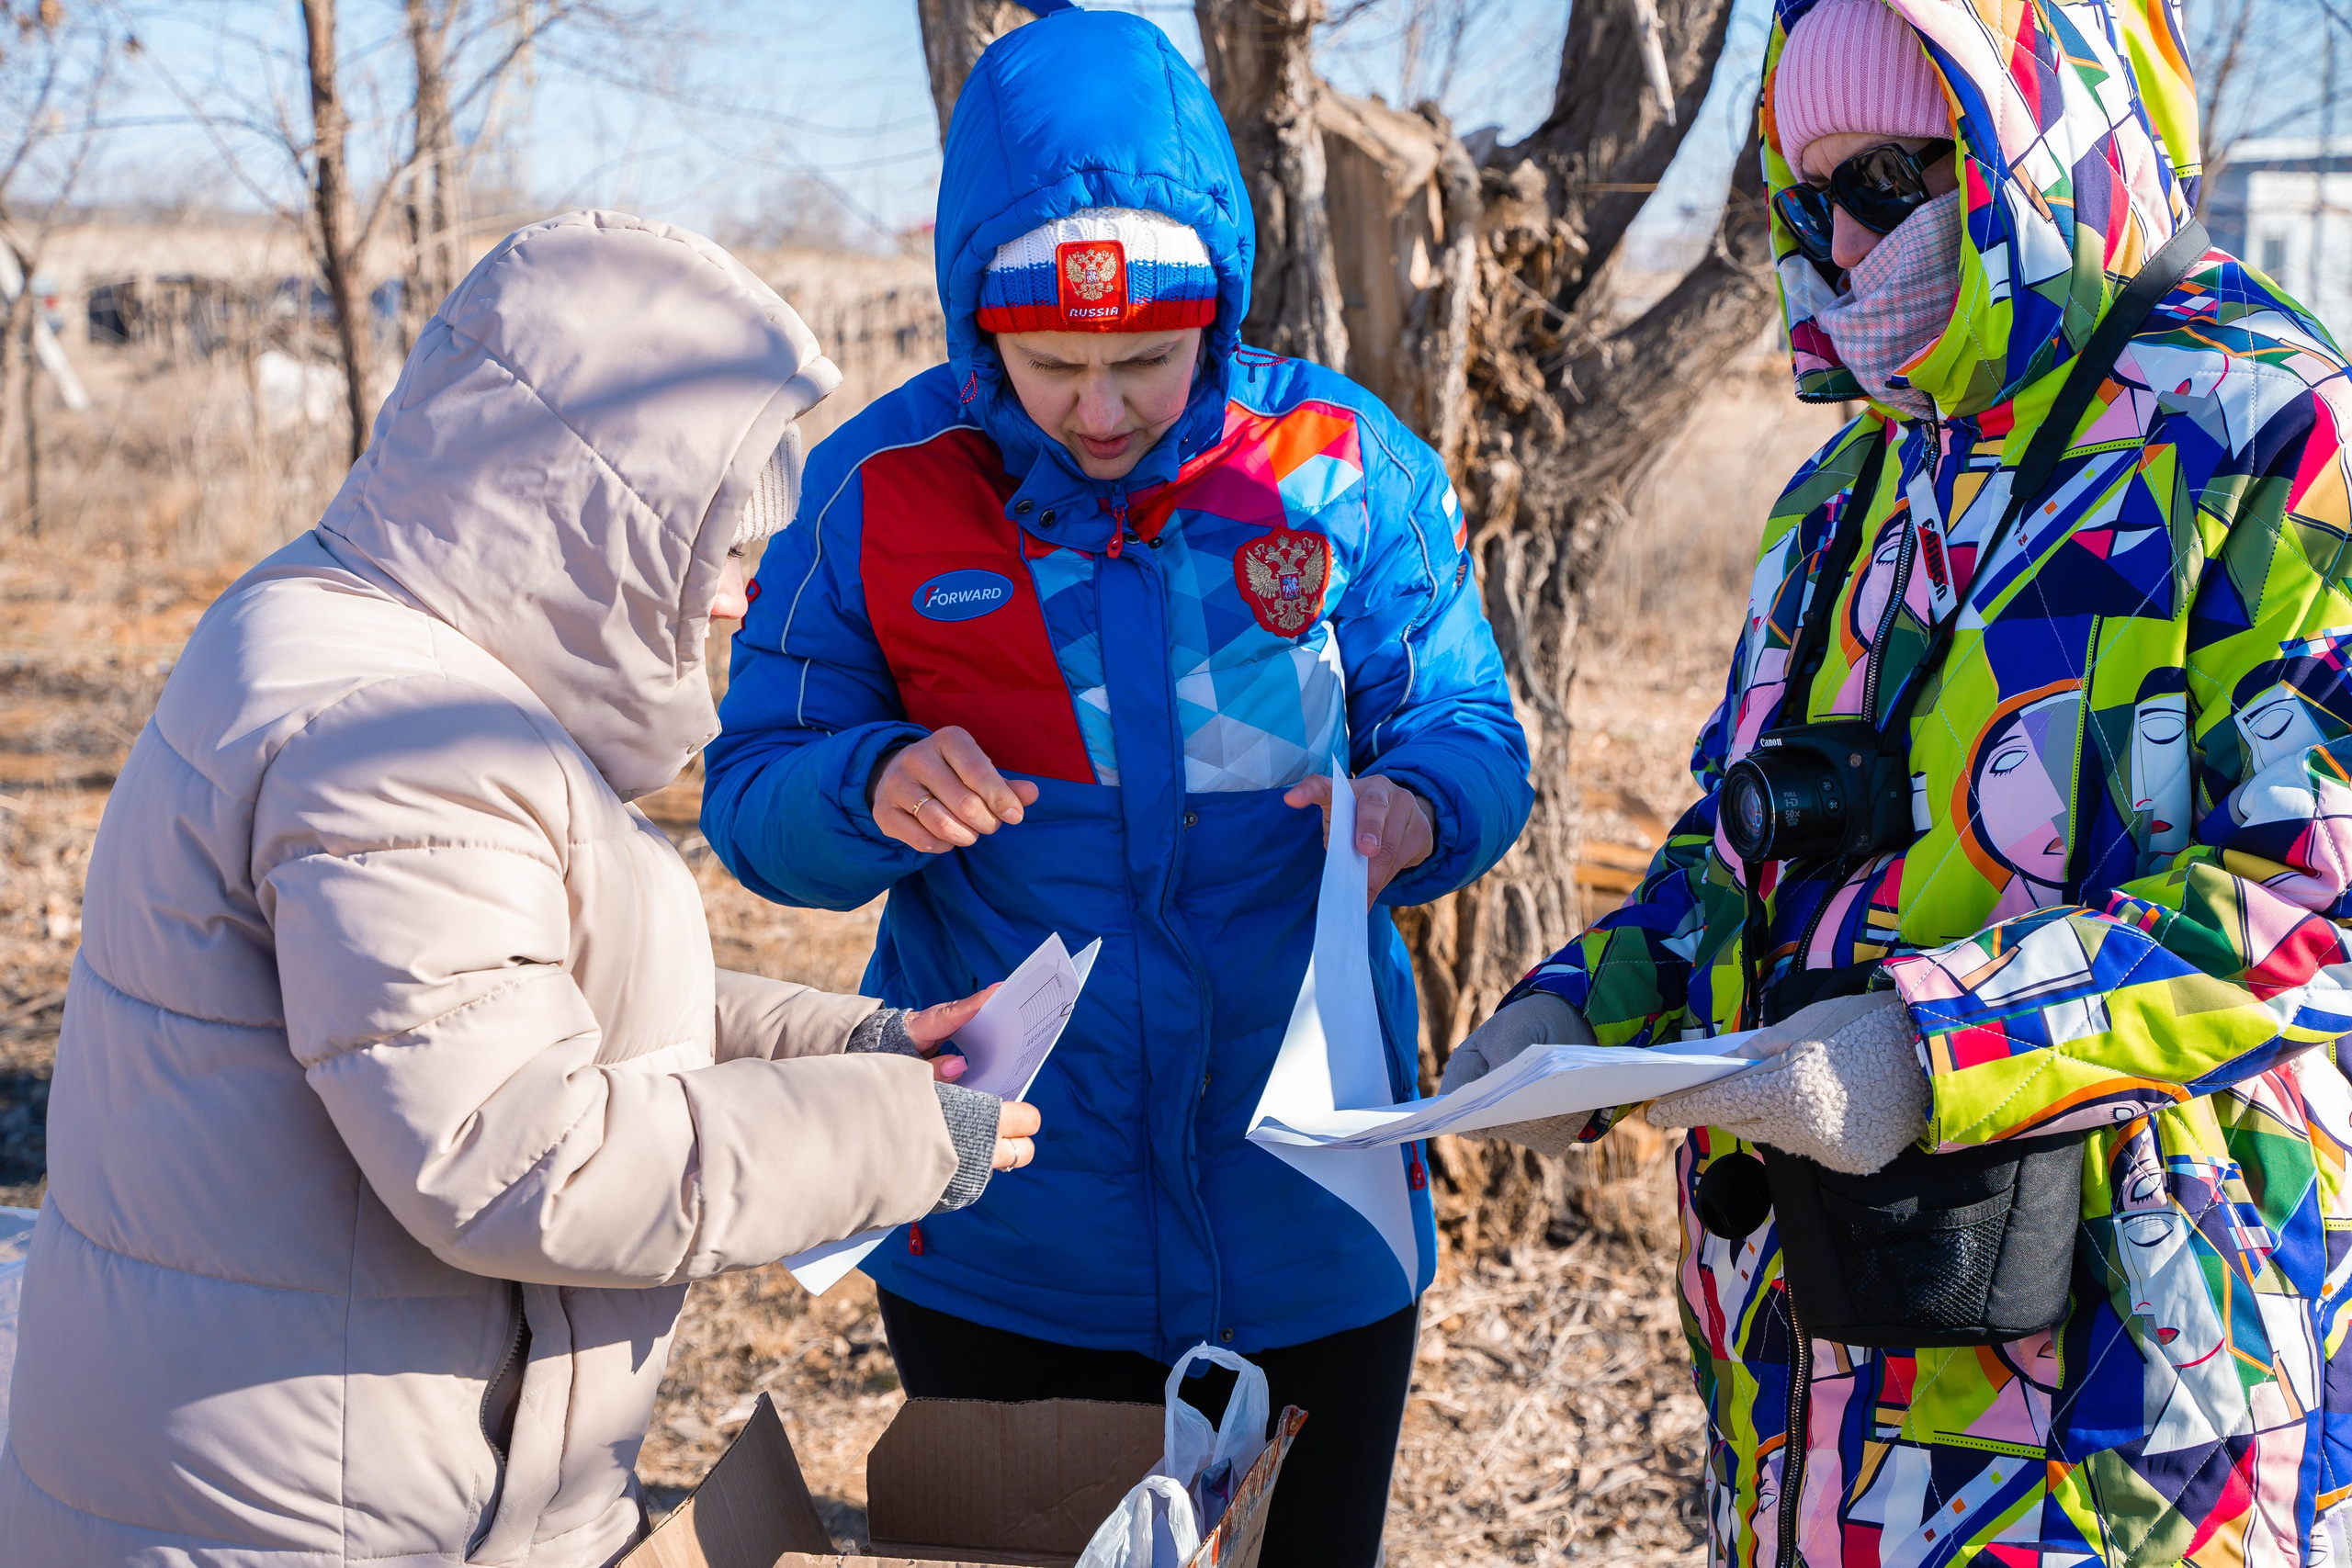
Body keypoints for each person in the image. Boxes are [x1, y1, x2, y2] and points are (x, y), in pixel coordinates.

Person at [1444, 0, 2352, 1562]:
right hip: (1823, 1373)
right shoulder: (1853, 485)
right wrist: (1588, 1004)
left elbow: (2304, 900)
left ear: (2035, 138)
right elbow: (1738, 837)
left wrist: (1931, 1047)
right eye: (1811, 199)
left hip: (2133, 1402)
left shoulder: (2272, 431)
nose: (1846, 241)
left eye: (1891, 180)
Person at [0, 210, 1040, 1566]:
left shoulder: (381, 659)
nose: (739, 600)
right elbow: (517, 1152)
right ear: (603, 510)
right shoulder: (394, 740)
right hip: (311, 1518)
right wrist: (890, 1138)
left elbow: (524, 1001)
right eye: (722, 550)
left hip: (342, 1470)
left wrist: (863, 1047)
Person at [700, 9, 1531, 1560]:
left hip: (1313, 1220)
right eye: (1053, 365)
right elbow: (753, 795)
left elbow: (1474, 729)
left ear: (1214, 311)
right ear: (975, 323)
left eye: (1144, 362)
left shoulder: (1337, 468)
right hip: (1007, 1241)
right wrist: (866, 785)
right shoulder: (882, 493)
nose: (1098, 410)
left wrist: (1424, 808)